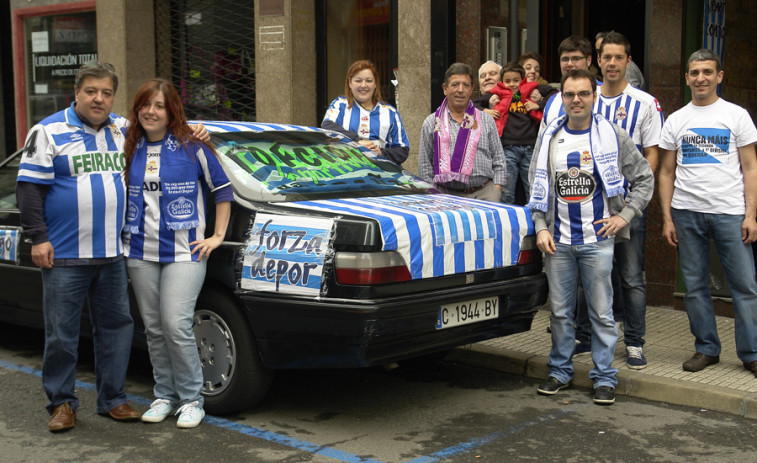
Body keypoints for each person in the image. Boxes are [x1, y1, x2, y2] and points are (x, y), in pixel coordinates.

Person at [16, 61, 142, 432]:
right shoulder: (48, 131)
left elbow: (166, 135)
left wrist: (196, 129)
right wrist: (38, 238)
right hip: (64, 255)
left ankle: (113, 399)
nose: (98, 99)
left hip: (112, 253)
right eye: (91, 91)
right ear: (76, 92)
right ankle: (62, 403)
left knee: (118, 327)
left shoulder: (124, 130)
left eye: (106, 92)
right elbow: (29, 190)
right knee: (61, 333)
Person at [529, 69, 653, 405]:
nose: (576, 100)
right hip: (558, 242)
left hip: (598, 242)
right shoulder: (550, 137)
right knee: (559, 312)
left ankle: (604, 377)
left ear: (594, 97)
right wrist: (540, 226)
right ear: (562, 99)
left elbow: (644, 179)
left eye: (583, 93)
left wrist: (624, 216)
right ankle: (559, 371)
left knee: (601, 313)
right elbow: (536, 187)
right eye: (570, 95)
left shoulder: (611, 135)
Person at [122, 78, 234, 428]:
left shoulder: (192, 145)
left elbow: (223, 189)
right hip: (139, 250)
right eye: (145, 105)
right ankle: (164, 396)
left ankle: (191, 400)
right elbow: (95, 114)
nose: (151, 112)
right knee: (154, 328)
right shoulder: (127, 144)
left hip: (185, 251)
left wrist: (217, 236)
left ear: (172, 111)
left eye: (159, 106)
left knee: (175, 324)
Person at [658, 49, 757, 377]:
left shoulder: (736, 115)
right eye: (694, 73)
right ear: (687, 78)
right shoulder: (676, 120)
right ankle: (706, 349)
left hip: (730, 212)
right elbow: (666, 172)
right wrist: (668, 217)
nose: (701, 78)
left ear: (719, 76)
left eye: (707, 72)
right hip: (686, 213)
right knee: (696, 286)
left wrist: (751, 214)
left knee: (745, 286)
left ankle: (751, 353)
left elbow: (750, 166)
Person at [573, 31, 663, 369]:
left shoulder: (645, 103)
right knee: (590, 273)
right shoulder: (584, 97)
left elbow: (652, 155)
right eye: (606, 57)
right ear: (598, 60)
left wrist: (632, 200)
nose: (611, 63)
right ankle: (584, 336)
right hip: (585, 204)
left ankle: (635, 341)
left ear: (628, 61)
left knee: (631, 276)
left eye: (618, 57)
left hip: (626, 207)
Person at [418, 62, 506, 202]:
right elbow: (424, 166)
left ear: (472, 89)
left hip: (485, 195)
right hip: (445, 197)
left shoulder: (486, 120)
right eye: (455, 84)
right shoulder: (431, 122)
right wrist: (433, 196)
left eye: (466, 85)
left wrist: (496, 190)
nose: (460, 90)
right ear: (445, 88)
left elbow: (499, 160)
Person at [487, 62, 556, 204]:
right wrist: (486, 110)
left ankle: (535, 220)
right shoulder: (497, 94)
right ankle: (509, 221)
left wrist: (539, 104)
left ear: (523, 80)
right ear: (501, 82)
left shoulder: (530, 90)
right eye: (507, 81)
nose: (512, 84)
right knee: (507, 190)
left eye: (516, 80)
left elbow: (555, 94)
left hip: (530, 148)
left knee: (532, 188)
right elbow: (473, 104)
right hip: (507, 149)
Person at [322, 60, 409, 165]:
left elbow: (402, 150)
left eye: (369, 80)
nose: (363, 85)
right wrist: (357, 141)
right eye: (358, 80)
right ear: (350, 82)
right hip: (344, 174)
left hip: (380, 177)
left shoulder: (390, 112)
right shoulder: (340, 105)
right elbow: (327, 126)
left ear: (375, 83)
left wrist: (380, 153)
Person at [541, 35, 600, 129]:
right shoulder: (552, 100)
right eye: (565, 59)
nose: (569, 64)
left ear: (588, 60)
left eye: (576, 58)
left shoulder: (605, 95)